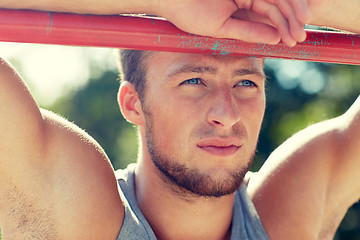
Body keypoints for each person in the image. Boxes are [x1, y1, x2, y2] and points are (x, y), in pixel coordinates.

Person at [0, 0, 359, 239]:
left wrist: (290, 5)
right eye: (193, 81)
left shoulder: (286, 214)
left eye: (246, 82)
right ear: (133, 104)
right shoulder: (77, 209)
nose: (227, 114)